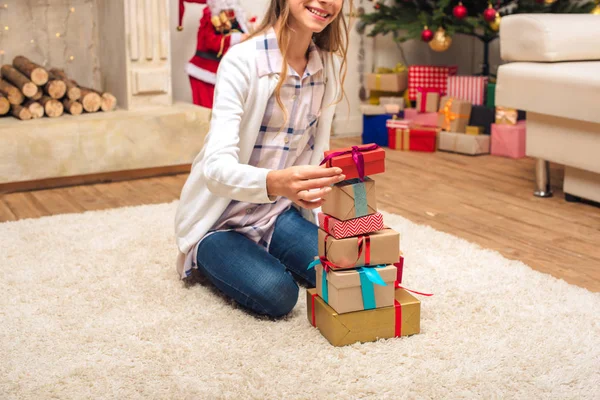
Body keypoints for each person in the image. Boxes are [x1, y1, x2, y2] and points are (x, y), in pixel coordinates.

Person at [174, 0, 350, 318]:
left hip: (278, 214)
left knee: (349, 269)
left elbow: (318, 155)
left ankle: (265, 249)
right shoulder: (242, 60)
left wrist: (335, 220)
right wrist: (275, 183)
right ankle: (207, 256)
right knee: (279, 294)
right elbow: (214, 169)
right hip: (220, 221)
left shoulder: (329, 67)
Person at [177, 0, 254, 108]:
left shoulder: (234, 14)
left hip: (221, 72)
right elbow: (210, 42)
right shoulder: (210, 14)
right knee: (207, 114)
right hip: (204, 73)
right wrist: (238, 38)